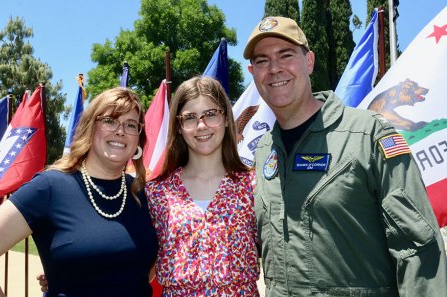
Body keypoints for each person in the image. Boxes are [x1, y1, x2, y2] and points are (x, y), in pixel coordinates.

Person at [244, 16, 447, 296]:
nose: (275, 68)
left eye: (286, 55)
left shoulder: (368, 135)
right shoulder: (264, 150)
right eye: (263, 61)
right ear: (252, 72)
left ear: (310, 61)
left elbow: (418, 248)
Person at [0, 87, 158, 297]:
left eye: (131, 124)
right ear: (89, 128)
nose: (120, 130)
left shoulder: (142, 194)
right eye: (109, 121)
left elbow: (142, 272)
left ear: (138, 140)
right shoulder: (49, 187)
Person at [145, 76, 260, 296]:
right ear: (179, 126)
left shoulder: (253, 186)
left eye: (211, 114)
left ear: (226, 118)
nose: (201, 125)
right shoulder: (157, 192)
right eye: (189, 117)